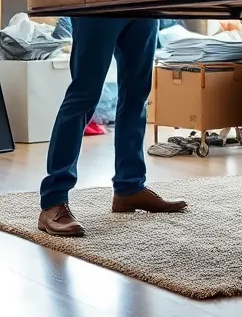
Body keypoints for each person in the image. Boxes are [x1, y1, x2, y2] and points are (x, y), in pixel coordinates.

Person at [36, 17, 187, 237]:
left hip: (143, 5)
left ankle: (130, 187)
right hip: (98, 6)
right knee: (84, 95)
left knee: (137, 95)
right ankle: (53, 199)